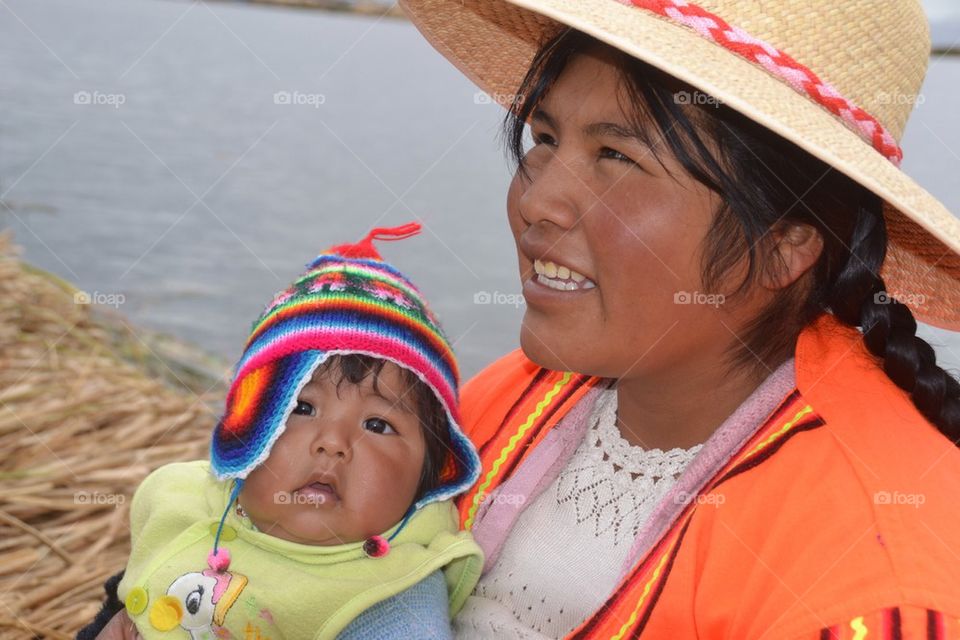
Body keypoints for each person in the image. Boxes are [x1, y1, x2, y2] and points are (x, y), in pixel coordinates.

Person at [396, 0, 960, 637]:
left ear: (783, 247)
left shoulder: (876, 584)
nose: (537, 200)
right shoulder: (501, 398)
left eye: (616, 157)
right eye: (545, 138)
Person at [80, 223, 483, 639]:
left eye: (377, 425)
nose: (333, 443)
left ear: (432, 474)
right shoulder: (178, 497)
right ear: (246, 427)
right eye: (301, 407)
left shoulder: (391, 604)